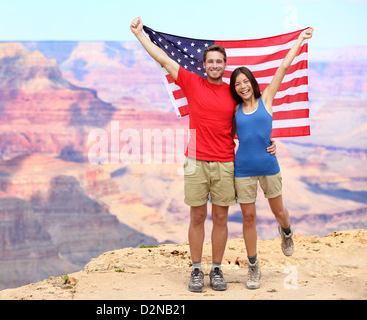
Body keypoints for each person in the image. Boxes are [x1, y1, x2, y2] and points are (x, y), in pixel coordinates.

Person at [130, 17, 276, 293]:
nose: (215, 66)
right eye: (210, 61)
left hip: (224, 162)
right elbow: (162, 57)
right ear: (204, 64)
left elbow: (253, 119)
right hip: (195, 160)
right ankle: (196, 270)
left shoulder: (233, 93)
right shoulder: (190, 81)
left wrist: (270, 142)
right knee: (197, 217)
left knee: (220, 218)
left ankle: (217, 270)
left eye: (219, 62)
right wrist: (140, 35)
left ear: (224, 65)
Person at [229, 27, 314, 290]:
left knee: (278, 211)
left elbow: (283, 68)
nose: (242, 86)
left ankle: (286, 231)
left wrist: (300, 40)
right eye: (237, 84)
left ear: (252, 83)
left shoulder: (267, 99)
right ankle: (253, 267)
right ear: (235, 89)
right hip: (242, 169)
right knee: (249, 219)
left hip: (268, 166)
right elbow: (228, 135)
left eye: (245, 81)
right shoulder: (234, 110)